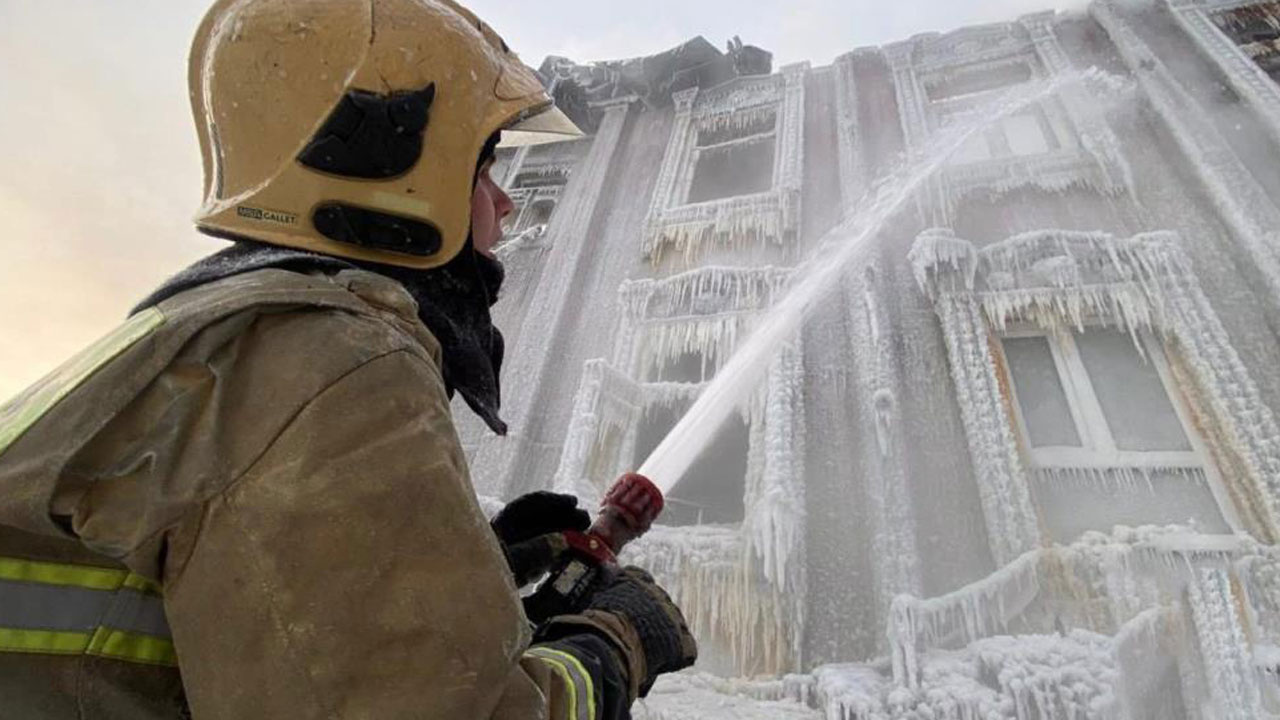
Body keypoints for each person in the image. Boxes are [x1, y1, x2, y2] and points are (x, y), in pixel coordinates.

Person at [0, 0, 696, 717]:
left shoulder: (203, 331)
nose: (506, 203)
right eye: (484, 169)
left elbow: (246, 590)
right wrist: (612, 643)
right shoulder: (331, 362)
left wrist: (465, 565)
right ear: (400, 175)